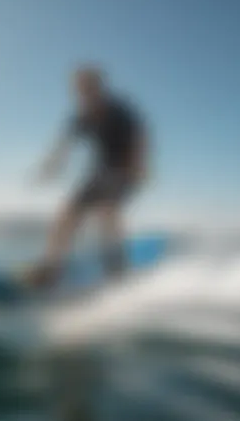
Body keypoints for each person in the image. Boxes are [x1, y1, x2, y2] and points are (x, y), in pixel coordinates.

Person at [22, 65, 148, 288]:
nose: (83, 94)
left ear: (98, 87)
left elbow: (139, 137)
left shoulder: (119, 111)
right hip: (99, 172)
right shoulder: (80, 117)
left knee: (106, 210)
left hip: (124, 171)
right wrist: (49, 167)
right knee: (67, 213)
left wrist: (138, 168)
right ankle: (51, 269)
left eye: (87, 88)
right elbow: (63, 148)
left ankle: (118, 270)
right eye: (79, 89)